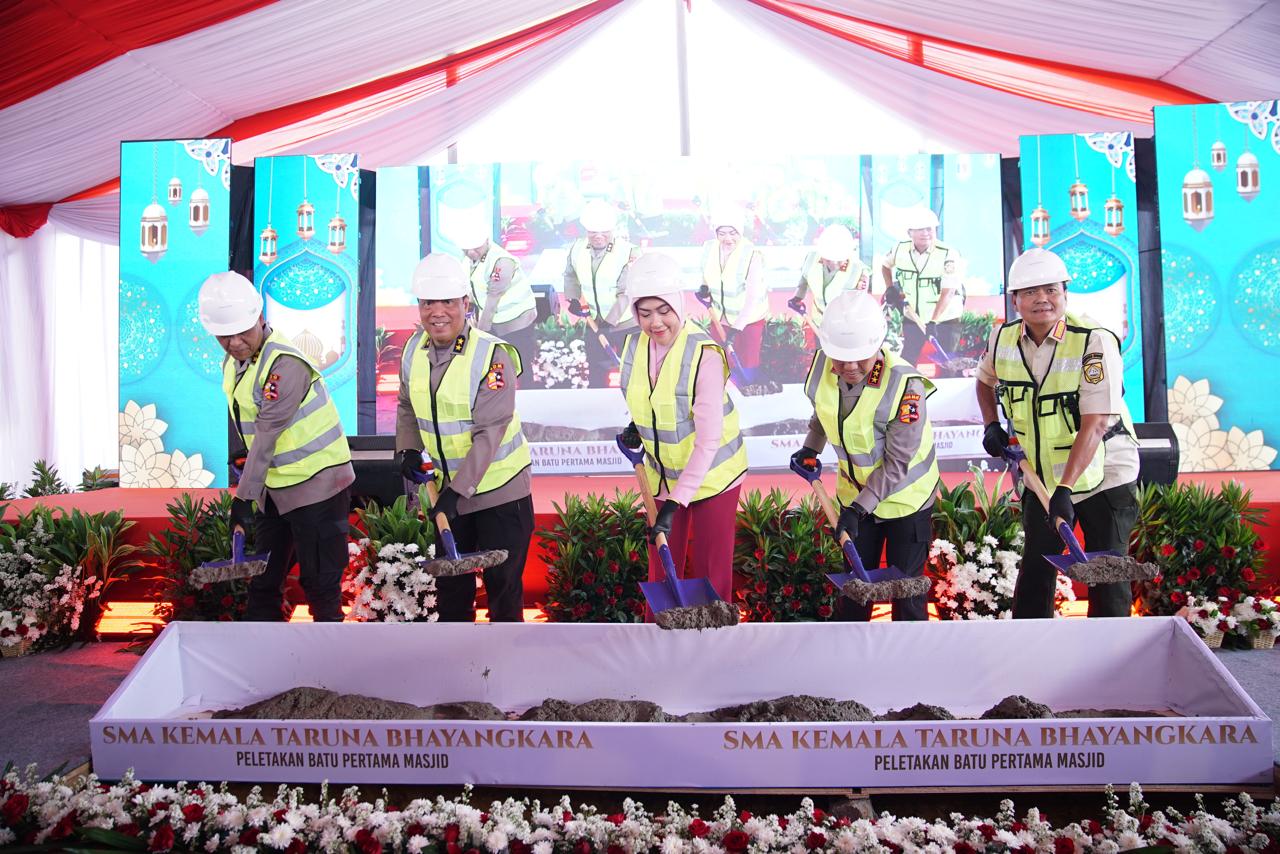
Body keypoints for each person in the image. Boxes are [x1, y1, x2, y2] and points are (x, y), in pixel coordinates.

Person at [975, 247, 1139, 619]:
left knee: (1107, 572)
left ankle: (1111, 649)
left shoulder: (1093, 340)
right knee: (1036, 566)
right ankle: (1031, 647)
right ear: (1015, 300)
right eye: (1031, 292)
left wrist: (1066, 489)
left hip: (1104, 471)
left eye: (1051, 290)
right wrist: (991, 424)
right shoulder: (1002, 339)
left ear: (1065, 293)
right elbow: (984, 382)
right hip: (1043, 476)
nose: (1042, 299)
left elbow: (1096, 422)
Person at [197, 271, 354, 622]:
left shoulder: (285, 364)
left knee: (320, 584)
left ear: (260, 317)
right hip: (275, 486)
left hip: (318, 483)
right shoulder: (235, 362)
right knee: (264, 581)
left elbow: (268, 432)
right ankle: (265, 651)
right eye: (224, 336)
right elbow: (250, 417)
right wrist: (245, 453)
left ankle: (330, 653)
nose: (235, 342)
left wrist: (243, 497)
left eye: (242, 332)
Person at [396, 253, 534, 623]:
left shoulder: (492, 355)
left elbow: (490, 432)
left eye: (447, 302)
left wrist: (456, 494)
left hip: (499, 494)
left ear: (465, 304)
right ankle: (457, 659)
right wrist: (408, 448)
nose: (437, 312)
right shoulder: (412, 350)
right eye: (428, 303)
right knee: (452, 596)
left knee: (503, 594)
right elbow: (406, 404)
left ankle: (505, 659)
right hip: (446, 493)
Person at [793, 290, 939, 622]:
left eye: (860, 357)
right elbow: (824, 410)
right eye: (840, 357)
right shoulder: (823, 366)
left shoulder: (905, 386)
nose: (850, 366)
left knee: (907, 597)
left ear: (878, 343)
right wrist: (811, 447)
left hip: (906, 502)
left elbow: (897, 463)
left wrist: (858, 510)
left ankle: (910, 654)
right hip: (855, 499)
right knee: (854, 596)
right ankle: (852, 653)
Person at [619, 253, 749, 604]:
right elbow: (648, 396)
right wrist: (636, 425)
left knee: (710, 573)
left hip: (713, 476)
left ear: (678, 304)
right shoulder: (633, 345)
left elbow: (708, 441)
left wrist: (677, 501)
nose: (655, 323)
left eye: (664, 311)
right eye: (645, 313)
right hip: (662, 474)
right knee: (662, 570)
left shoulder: (704, 354)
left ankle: (714, 631)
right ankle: (660, 632)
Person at [562, 199, 641, 386]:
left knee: (632, 372)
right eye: (593, 231)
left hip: (625, 324)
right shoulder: (577, 248)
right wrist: (573, 298)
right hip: (594, 322)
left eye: (604, 231)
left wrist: (609, 322)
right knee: (596, 371)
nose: (598, 236)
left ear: (612, 229)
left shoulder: (629, 252)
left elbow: (626, 292)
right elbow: (570, 275)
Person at [879, 206, 964, 368]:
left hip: (945, 320)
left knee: (948, 365)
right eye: (920, 229)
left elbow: (948, 292)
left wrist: (933, 321)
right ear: (909, 232)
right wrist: (889, 287)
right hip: (913, 316)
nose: (926, 233)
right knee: (906, 361)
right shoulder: (899, 249)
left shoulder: (948, 253)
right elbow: (885, 265)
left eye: (929, 228)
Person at [453, 220, 538, 367]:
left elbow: (492, 303)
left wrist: (480, 335)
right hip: (495, 322)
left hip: (516, 323)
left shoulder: (502, 262)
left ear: (486, 240)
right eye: (466, 249)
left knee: (518, 366)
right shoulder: (469, 260)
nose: (471, 252)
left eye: (475, 247)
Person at [698, 207, 767, 375]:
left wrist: (736, 328)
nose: (727, 239)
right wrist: (704, 287)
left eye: (732, 233)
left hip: (749, 320)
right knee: (719, 359)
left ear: (740, 232)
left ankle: (748, 385)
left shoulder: (751, 254)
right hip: (719, 317)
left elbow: (752, 298)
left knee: (747, 362)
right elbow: (706, 272)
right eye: (722, 233)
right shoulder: (708, 248)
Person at [788, 224, 868, 326]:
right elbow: (804, 279)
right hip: (818, 320)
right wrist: (797, 298)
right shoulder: (811, 259)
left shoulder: (857, 270)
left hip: (843, 324)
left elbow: (860, 300)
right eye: (829, 259)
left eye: (839, 260)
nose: (834, 263)